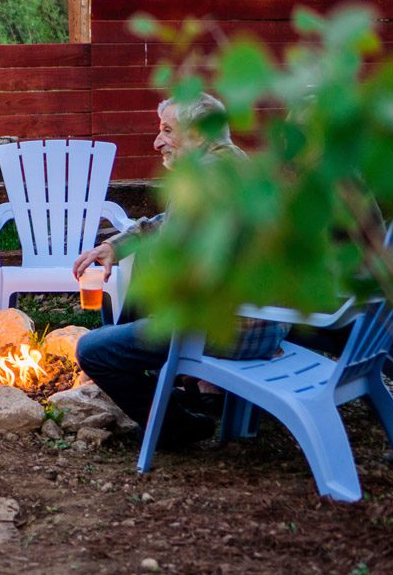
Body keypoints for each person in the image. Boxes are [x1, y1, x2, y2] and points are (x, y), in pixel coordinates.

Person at [73, 93, 290, 449]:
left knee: (93, 350)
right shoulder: (233, 163)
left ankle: (175, 427)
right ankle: (152, 370)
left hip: (231, 329)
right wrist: (116, 245)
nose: (157, 142)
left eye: (167, 130)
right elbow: (166, 222)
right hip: (267, 321)